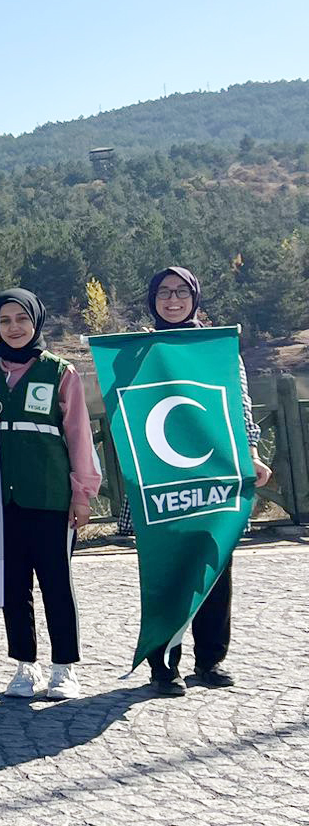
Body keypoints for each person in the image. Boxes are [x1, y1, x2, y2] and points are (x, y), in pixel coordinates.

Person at [138, 267, 271, 697]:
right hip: (161, 474)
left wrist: (250, 453)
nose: (172, 300)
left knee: (216, 566)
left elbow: (240, 403)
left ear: (195, 298)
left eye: (180, 292)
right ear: (152, 299)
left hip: (214, 471)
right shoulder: (139, 348)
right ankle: (164, 666)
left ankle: (210, 659)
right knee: (168, 569)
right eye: (163, 293)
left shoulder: (217, 346)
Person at [0, 290, 100, 702]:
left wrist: (83, 493)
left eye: (21, 319)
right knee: (13, 589)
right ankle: (24, 665)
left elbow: (79, 436)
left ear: (36, 321)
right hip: (2, 500)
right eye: (5, 321)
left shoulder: (60, 372)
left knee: (57, 585)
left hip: (51, 497)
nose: (14, 327)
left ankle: (64, 668)